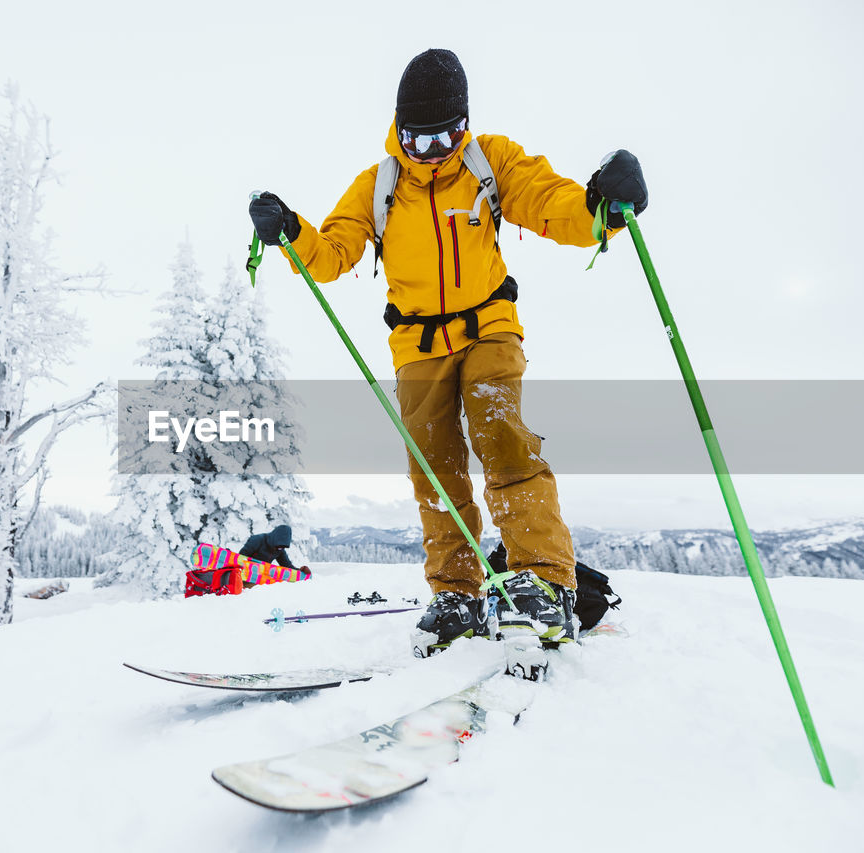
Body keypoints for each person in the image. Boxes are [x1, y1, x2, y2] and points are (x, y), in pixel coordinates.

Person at [248, 48, 646, 654]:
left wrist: (601, 207)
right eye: (418, 138)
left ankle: (544, 581)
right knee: (433, 467)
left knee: (502, 434)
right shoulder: (379, 185)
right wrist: (290, 229)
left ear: (464, 125)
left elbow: (550, 204)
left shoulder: (491, 161)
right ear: (399, 129)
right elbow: (331, 256)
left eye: (445, 137)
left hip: (489, 325)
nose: (432, 150)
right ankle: (457, 591)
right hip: (416, 342)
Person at [239, 524, 310, 576]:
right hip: (245, 573)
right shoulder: (258, 540)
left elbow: (287, 566)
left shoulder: (280, 549)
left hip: (259, 576)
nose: (280, 549)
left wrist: (300, 571)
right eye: (279, 546)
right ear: (275, 539)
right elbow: (241, 556)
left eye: (282, 547)